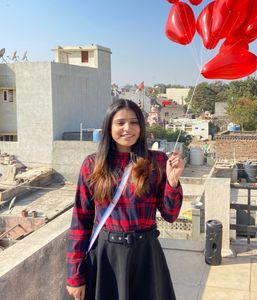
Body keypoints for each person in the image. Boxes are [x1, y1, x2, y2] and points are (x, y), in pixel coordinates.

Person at [66, 99, 184, 300]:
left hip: (146, 255)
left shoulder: (157, 161)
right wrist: (74, 276)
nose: (128, 128)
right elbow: (80, 221)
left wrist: (173, 183)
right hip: (106, 257)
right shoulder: (92, 164)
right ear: (109, 126)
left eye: (134, 122)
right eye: (120, 123)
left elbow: (170, 215)